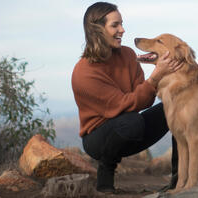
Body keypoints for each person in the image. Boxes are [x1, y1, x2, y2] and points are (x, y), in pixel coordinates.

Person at [71, 2, 181, 193]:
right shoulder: (84, 72)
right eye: (115, 25)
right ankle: (105, 178)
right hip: (98, 138)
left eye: (121, 24)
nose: (122, 30)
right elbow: (124, 105)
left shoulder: (128, 55)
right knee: (131, 122)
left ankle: (180, 179)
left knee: (177, 107)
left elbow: (144, 100)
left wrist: (166, 73)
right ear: (97, 29)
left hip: (131, 127)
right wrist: (155, 76)